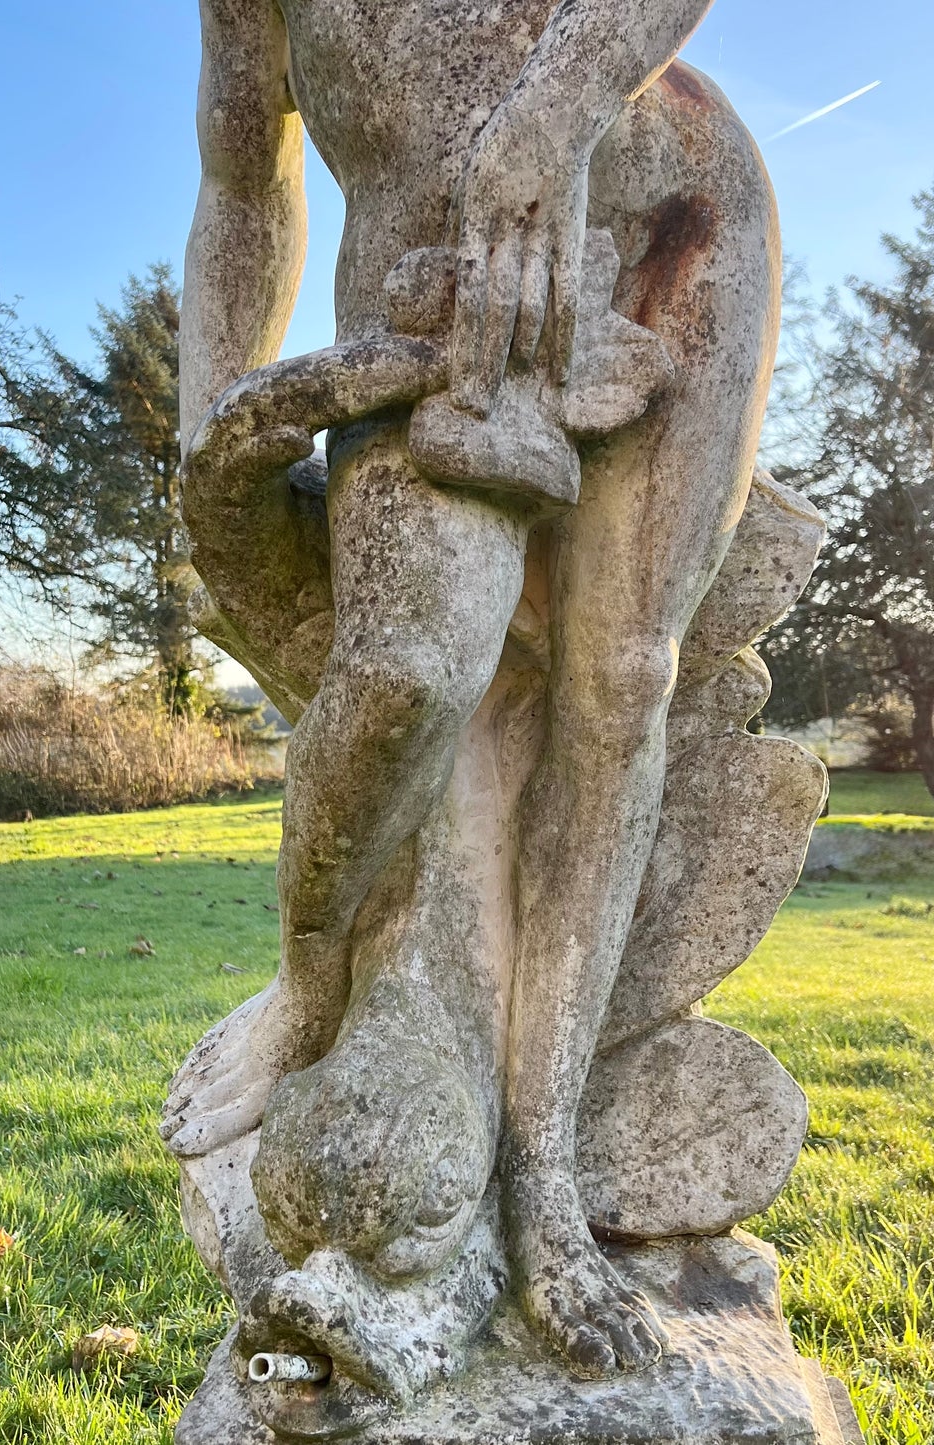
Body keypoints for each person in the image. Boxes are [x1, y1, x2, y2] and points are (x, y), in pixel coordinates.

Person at [169, 0, 779, 1377]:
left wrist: (558, 101)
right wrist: (220, 408)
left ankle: (544, 1171)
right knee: (404, 667)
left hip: (663, 219)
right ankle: (306, 987)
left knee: (619, 682)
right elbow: (238, 179)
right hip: (425, 297)